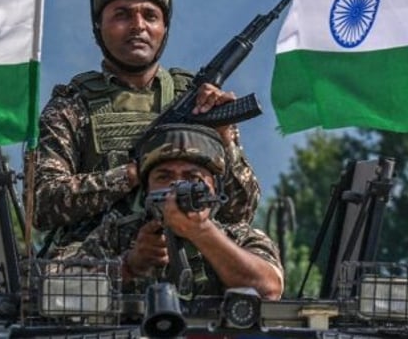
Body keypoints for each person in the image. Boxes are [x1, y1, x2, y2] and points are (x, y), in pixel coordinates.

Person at [31, 0, 260, 256]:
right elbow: (42, 205)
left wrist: (225, 139)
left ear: (164, 29)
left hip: (191, 258)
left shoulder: (199, 102)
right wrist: (133, 174)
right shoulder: (72, 107)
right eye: (122, 15)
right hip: (100, 267)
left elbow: (241, 213)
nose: (138, 25)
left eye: (150, 16)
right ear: (98, 27)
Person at [75, 123, 283, 299]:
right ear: (146, 189)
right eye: (164, 177)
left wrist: (201, 231)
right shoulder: (117, 233)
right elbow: (62, 292)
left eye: (193, 177)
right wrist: (130, 265)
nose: (176, 188)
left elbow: (268, 288)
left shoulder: (241, 237)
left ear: (214, 189)